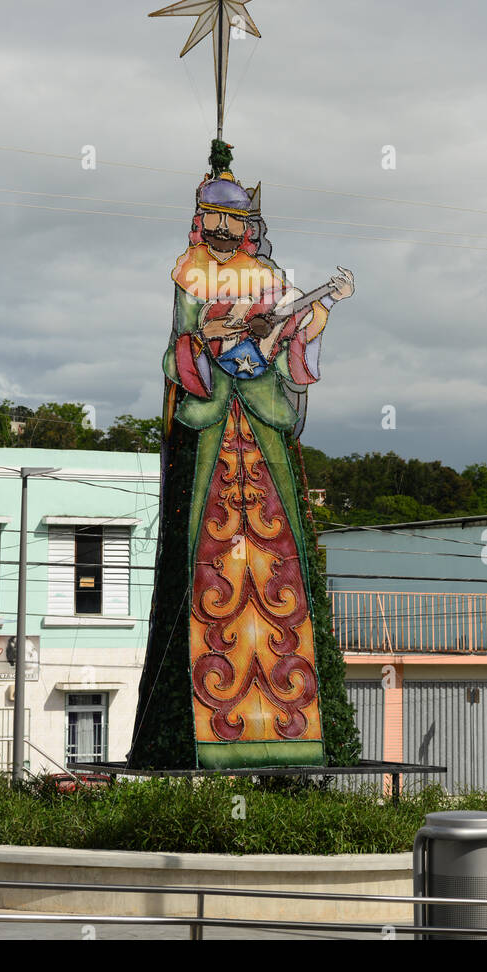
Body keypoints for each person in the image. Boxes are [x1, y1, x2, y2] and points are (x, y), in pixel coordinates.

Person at [129, 141, 354, 771]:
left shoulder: (273, 279)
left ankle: (286, 719)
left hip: (256, 411)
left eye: (236, 220)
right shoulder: (188, 273)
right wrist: (206, 338)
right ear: (203, 218)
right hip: (213, 413)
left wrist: (320, 308)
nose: (226, 229)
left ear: (248, 225)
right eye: (216, 217)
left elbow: (285, 335)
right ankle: (209, 715)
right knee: (209, 553)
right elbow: (180, 343)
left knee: (277, 555)